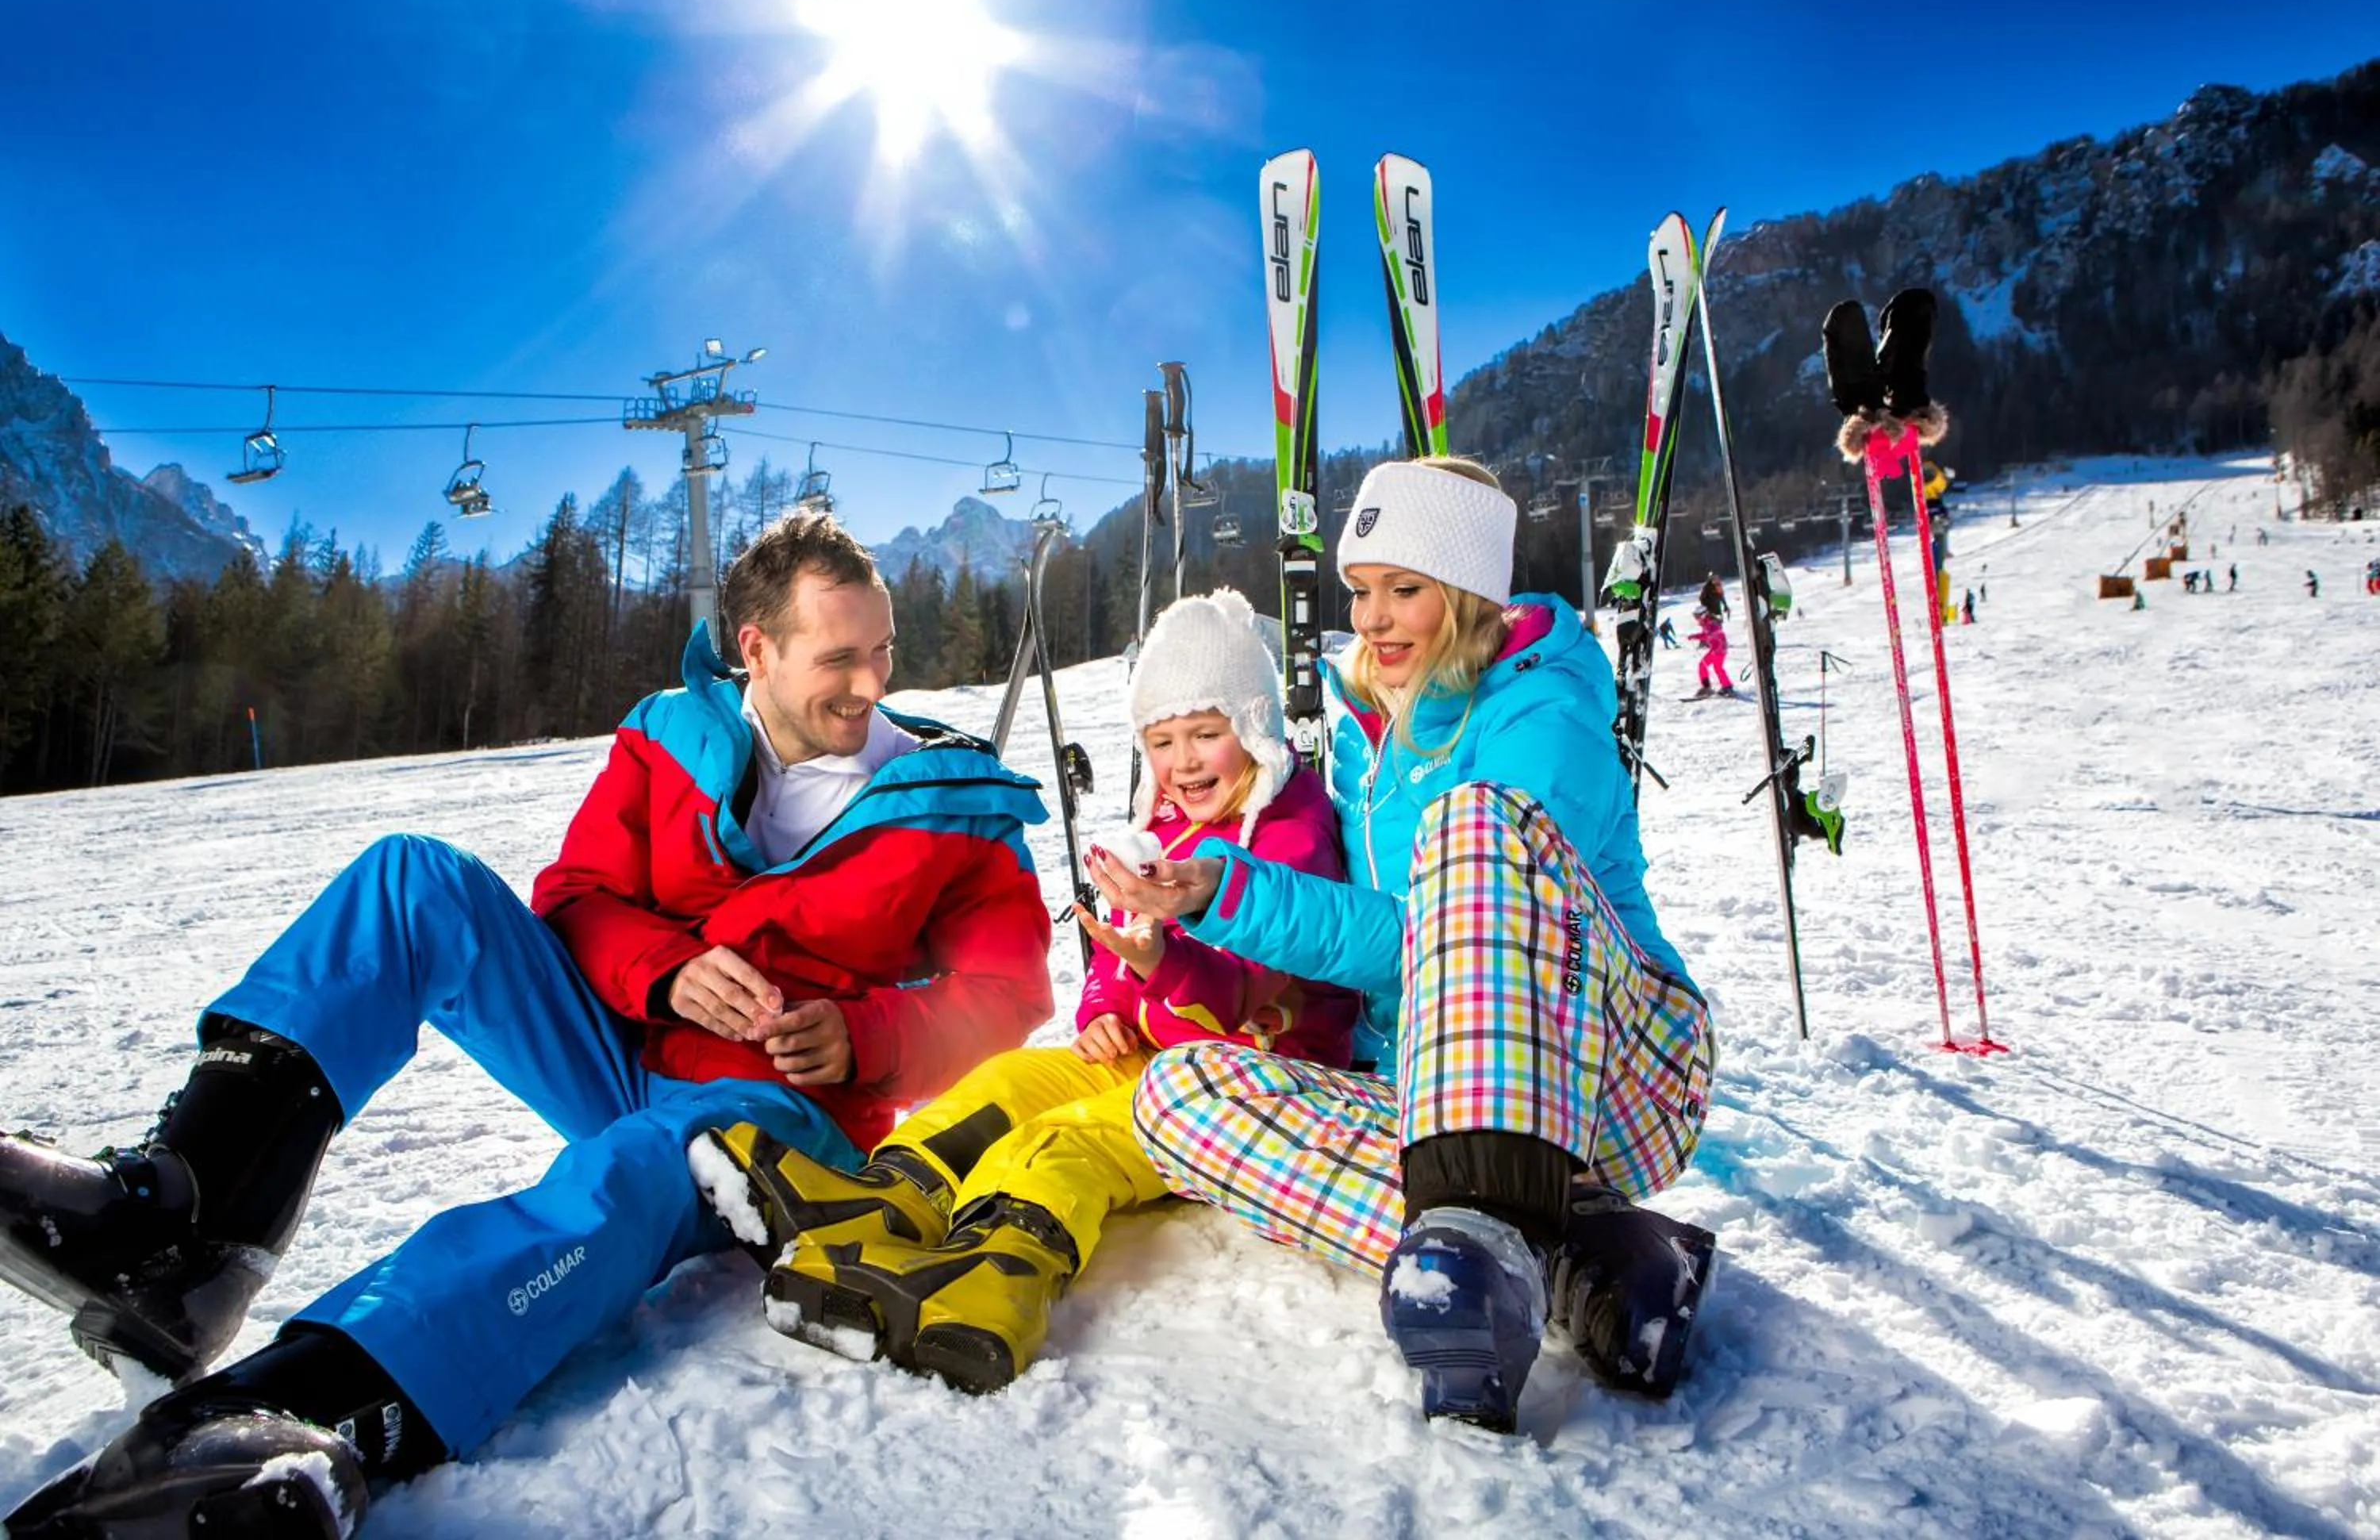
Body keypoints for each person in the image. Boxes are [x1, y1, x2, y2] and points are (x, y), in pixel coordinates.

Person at [0, 513, 1054, 1535]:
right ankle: (176, 1235)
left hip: (784, 1116)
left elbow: (1009, 997)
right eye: (838, 658)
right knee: (412, 882)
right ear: (757, 649)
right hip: (634, 1048)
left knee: (639, 1164)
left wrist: (864, 1035)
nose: (870, 684)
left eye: (883, 651)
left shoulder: (949, 803)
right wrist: (664, 969)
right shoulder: (671, 739)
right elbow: (581, 896)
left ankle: (312, 1406)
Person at [1105, 456, 1714, 1434]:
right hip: (1436, 1094)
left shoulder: (1541, 714)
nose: (1374, 619)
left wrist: (1235, 890)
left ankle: (1492, 1233)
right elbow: (1366, 936)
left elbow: (1446, 936)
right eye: (1360, 592)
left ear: (1467, 590)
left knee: (1472, 826)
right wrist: (1207, 889)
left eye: (1405, 589)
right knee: (1177, 1093)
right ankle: (1560, 1262)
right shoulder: (1363, 734)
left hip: (1618, 1064)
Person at [693, 589, 1359, 1398]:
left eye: (1205, 734)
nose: (1183, 762)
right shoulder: (1173, 823)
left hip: (1242, 1083)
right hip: (1152, 1052)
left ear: (1253, 729)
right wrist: (1110, 1007)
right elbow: (1119, 952)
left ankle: (993, 1278)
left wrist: (1156, 965)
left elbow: (1243, 991)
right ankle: (879, 1201)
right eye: (1162, 740)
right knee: (1007, 1082)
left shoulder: (1291, 831)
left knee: (1057, 1145)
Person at [1690, 607, 1734, 696]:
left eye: (1697, 616)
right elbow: (1706, 635)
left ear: (1703, 615)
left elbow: (1716, 632)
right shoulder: (1706, 623)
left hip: (1719, 649)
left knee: (1714, 667)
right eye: (1695, 616)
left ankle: (1726, 687)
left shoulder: (1712, 623)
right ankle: (1710, 687)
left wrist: (1710, 634)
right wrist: (1694, 636)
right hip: (1716, 649)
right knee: (1705, 666)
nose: (1696, 619)